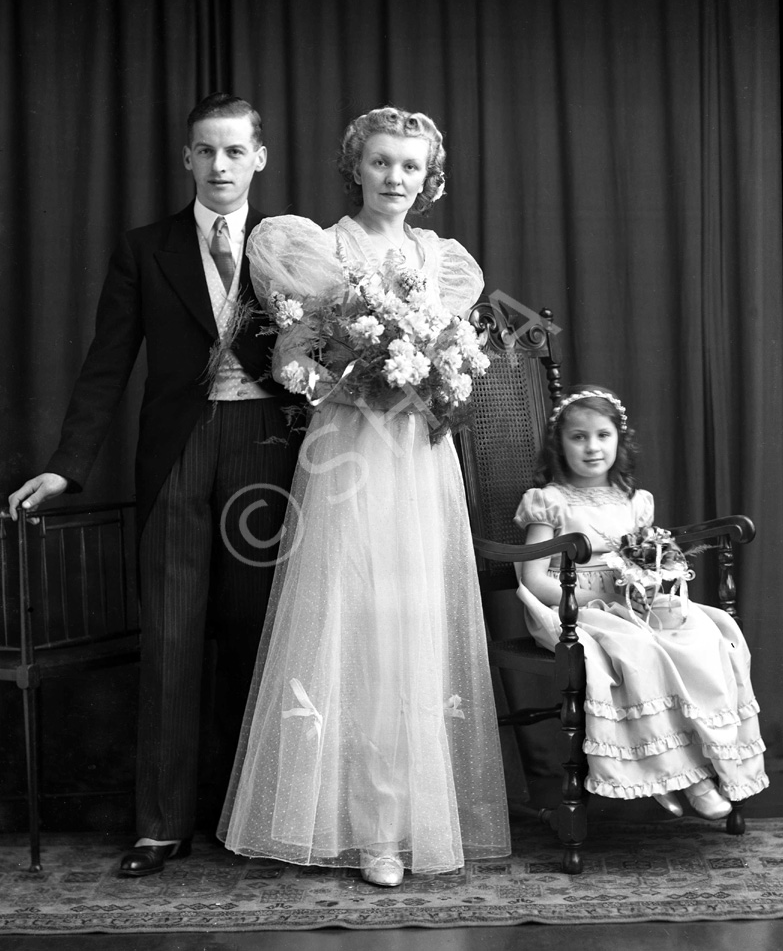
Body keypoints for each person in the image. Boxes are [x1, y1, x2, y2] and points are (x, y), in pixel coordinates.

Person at [8, 93, 300, 877]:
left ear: (258, 158)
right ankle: (159, 826)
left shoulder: (289, 246)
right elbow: (108, 363)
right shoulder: (146, 248)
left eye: (234, 151)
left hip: (265, 451)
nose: (219, 166)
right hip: (175, 450)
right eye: (205, 151)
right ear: (186, 158)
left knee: (253, 634)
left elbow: (323, 358)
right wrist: (66, 463)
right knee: (169, 636)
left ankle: (250, 816)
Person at [218, 106, 511, 887]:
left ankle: (414, 822)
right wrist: (350, 379)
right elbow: (290, 363)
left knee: (411, 629)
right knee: (353, 623)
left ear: (428, 177)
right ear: (357, 165)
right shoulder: (321, 249)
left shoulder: (443, 260)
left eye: (409, 167)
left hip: (417, 460)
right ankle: (363, 828)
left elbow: (457, 358)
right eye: (381, 162)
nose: (395, 178)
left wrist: (439, 372)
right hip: (349, 453)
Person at [514, 385, 768, 818]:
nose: (592, 447)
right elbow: (531, 575)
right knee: (640, 650)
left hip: (628, 603)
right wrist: (588, 601)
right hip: (569, 609)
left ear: (619, 440)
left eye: (602, 435)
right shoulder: (550, 501)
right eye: (578, 437)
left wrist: (652, 580)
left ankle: (697, 767)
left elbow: (647, 559)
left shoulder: (634, 502)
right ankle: (663, 771)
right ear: (560, 444)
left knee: (707, 633)